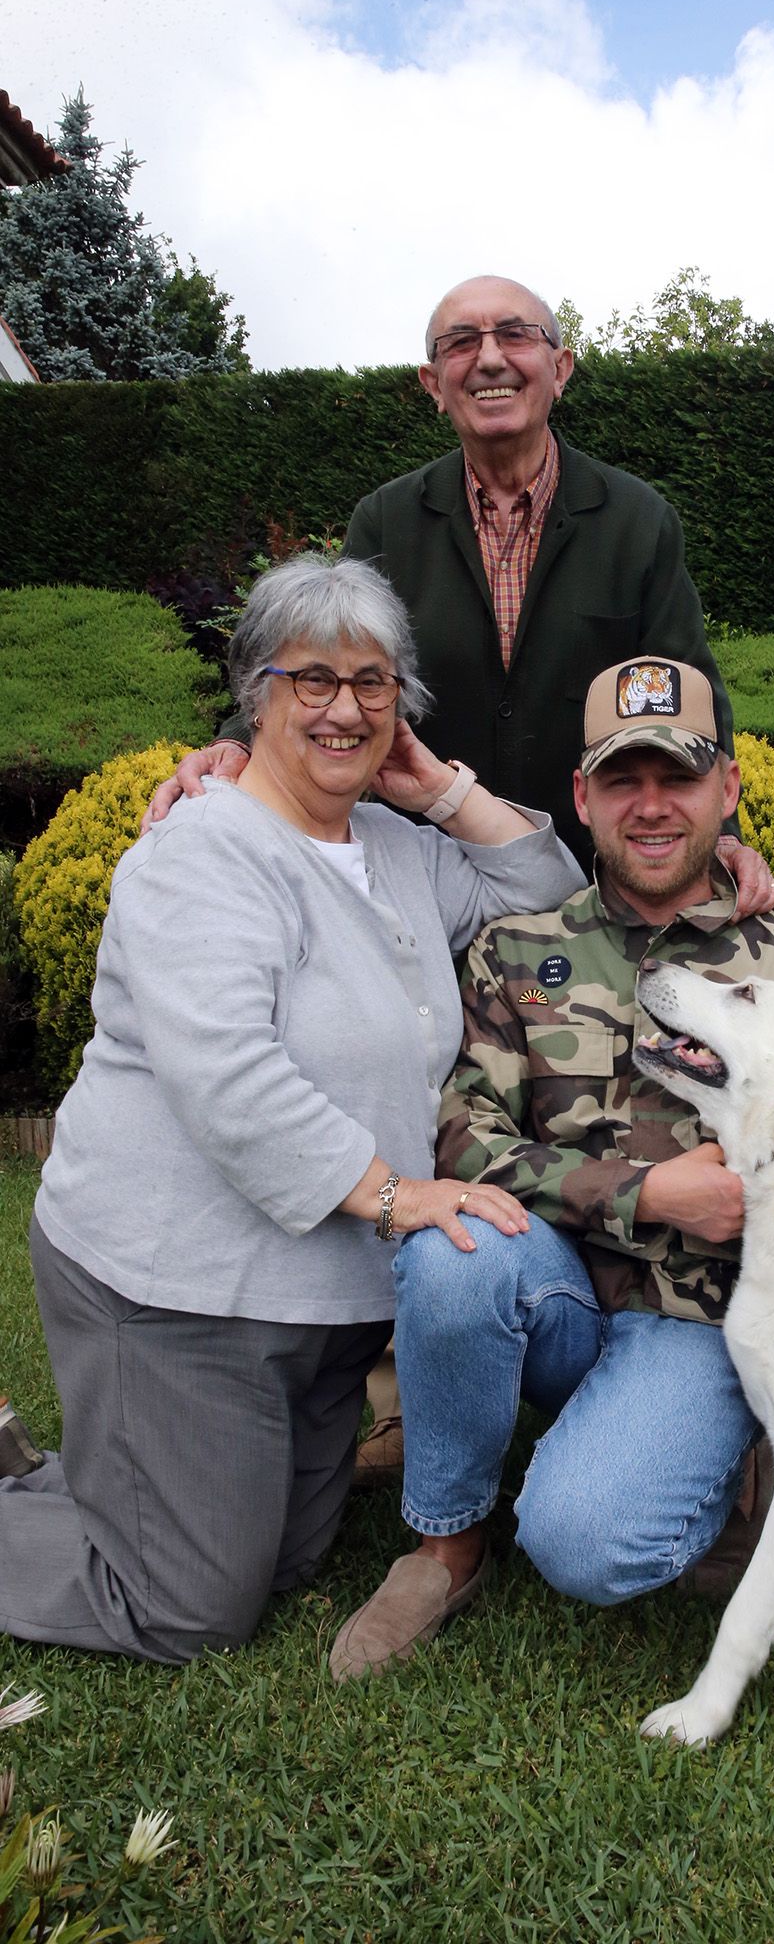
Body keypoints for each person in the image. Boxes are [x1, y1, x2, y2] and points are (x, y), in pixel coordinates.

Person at [329, 654, 774, 1682]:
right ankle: (445, 1543)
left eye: (679, 775)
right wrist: (644, 1194)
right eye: (624, 778)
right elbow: (463, 1140)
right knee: (450, 1252)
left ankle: (726, 1456)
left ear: (728, 787)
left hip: (709, 1327)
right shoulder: (515, 949)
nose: (654, 806)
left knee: (589, 1544)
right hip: (554, 1296)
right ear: (582, 796)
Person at [0, 556, 583, 1664]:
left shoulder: (400, 851)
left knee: (287, 1555)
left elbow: (545, 897)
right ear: (255, 690)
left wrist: (438, 787)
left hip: (316, 1300)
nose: (344, 706)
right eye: (310, 677)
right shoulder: (203, 849)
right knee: (187, 1604)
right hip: (174, 1282)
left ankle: (71, 1477)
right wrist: (397, 1195)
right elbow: (228, 1073)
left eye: (373, 682)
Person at [145, 271, 774, 907]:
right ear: (433, 385)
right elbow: (320, 661)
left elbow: (688, 687)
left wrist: (722, 837)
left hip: (600, 888)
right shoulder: (388, 520)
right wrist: (233, 742)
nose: (490, 358)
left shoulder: (636, 521)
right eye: (460, 343)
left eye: (514, 335)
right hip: (434, 884)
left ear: (560, 369)